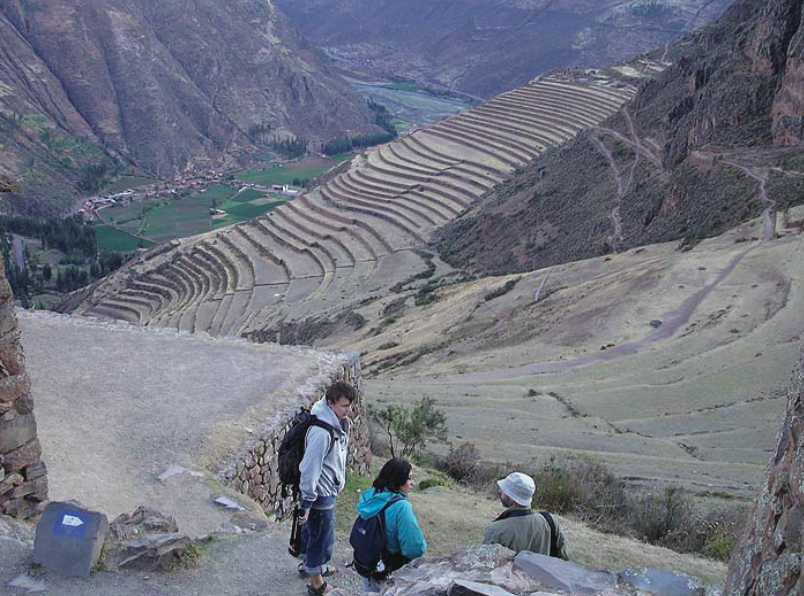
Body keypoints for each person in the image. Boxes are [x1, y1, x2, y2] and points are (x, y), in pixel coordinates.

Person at [299, 381, 357, 596]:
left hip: (326, 490)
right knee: (320, 538)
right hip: (319, 494)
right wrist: (306, 502)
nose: (349, 410)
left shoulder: (337, 423)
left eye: (350, 405)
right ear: (330, 404)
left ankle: (312, 567)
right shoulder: (321, 432)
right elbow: (309, 468)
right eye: (344, 406)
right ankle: (317, 584)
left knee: (315, 533)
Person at [355, 458, 427, 594]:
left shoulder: (372, 494)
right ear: (398, 480)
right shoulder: (401, 506)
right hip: (388, 569)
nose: (412, 483)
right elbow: (415, 549)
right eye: (409, 478)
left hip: (366, 563)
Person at [482, 471, 568, 559]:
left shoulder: (496, 530)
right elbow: (562, 560)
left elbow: (485, 565)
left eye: (504, 490)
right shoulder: (550, 521)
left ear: (512, 500)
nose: (499, 491)